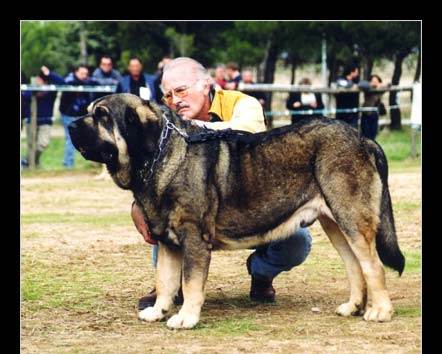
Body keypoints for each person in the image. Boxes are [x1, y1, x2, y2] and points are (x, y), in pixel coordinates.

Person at [132, 57, 312, 310]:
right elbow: (151, 169)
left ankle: (261, 274)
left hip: (252, 204)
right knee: (163, 212)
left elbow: (247, 131)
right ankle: (169, 286)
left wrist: (193, 127)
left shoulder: (243, 103)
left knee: (298, 241)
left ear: (206, 86)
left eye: (181, 90)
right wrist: (138, 204)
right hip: (193, 205)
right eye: (168, 95)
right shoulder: (165, 116)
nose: (175, 100)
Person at [21, 66, 65, 168]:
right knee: (31, 145)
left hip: (46, 121)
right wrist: (36, 92)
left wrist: (49, 73)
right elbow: (25, 97)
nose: (37, 80)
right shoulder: (31, 89)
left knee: (43, 144)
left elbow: (62, 82)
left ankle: (28, 161)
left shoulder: (51, 90)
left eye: (39, 79)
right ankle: (32, 165)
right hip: (31, 121)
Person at [59, 64, 99, 168]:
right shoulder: (69, 80)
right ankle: (68, 165)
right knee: (70, 140)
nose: (84, 76)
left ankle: (95, 163)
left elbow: (97, 82)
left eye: (86, 74)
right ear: (76, 72)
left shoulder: (88, 81)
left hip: (83, 116)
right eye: (82, 73)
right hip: (69, 115)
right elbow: (69, 83)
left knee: (91, 139)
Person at [359, 74, 388, 140]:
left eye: (376, 81)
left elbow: (388, 84)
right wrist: (374, 85)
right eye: (373, 81)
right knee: (365, 135)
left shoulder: (381, 89)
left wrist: (382, 85)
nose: (375, 82)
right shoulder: (367, 88)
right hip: (366, 113)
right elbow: (362, 85)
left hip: (375, 113)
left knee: (373, 134)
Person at [335, 64, 360, 128]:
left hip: (353, 112)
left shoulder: (356, 81)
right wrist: (353, 85)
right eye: (357, 72)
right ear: (351, 72)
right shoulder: (340, 79)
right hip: (342, 111)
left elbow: (364, 85)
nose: (358, 74)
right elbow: (345, 84)